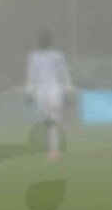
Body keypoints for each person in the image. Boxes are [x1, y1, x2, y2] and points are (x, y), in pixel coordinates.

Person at [25, 31, 75, 162]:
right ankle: (49, 122)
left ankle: (53, 152)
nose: (43, 41)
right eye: (42, 39)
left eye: (45, 39)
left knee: (52, 121)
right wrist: (30, 91)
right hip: (40, 91)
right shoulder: (34, 56)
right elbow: (32, 74)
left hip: (54, 89)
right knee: (45, 119)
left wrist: (68, 90)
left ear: (49, 41)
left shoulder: (57, 55)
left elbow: (64, 72)